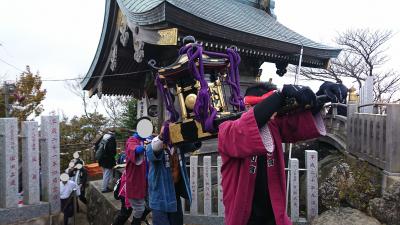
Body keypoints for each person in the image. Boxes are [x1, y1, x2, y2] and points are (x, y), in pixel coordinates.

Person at [217, 82, 346, 225]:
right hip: (243, 220)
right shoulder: (227, 131)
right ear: (248, 106)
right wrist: (279, 96)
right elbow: (247, 126)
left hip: (275, 218)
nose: (274, 114)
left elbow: (297, 122)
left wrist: (319, 98)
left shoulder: (274, 126)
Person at [147, 128, 201, 225]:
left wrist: (197, 129)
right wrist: (161, 136)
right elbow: (152, 151)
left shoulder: (179, 145)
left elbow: (193, 144)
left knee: (177, 221)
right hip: (160, 196)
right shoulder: (156, 144)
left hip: (174, 193)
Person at [124, 133, 148, 225]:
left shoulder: (145, 140)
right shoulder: (132, 140)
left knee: (149, 205)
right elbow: (134, 149)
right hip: (135, 181)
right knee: (139, 209)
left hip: (146, 180)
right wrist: (141, 148)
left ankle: (140, 219)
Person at [96, 128, 117, 193]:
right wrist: (114, 156)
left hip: (101, 158)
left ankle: (106, 186)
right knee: (107, 174)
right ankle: (104, 188)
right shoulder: (111, 139)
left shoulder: (103, 137)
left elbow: (96, 145)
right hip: (108, 159)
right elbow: (112, 150)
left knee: (105, 173)